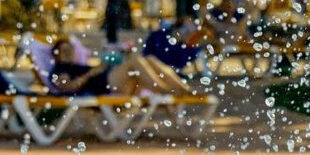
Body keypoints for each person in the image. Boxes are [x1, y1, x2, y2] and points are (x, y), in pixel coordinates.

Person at [48, 40, 198, 98]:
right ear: (57, 55)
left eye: (71, 50)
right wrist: (90, 73)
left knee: (149, 59)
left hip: (113, 81)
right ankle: (167, 91)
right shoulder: (60, 69)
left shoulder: (78, 65)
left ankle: (182, 88)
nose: (69, 53)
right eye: (65, 51)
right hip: (106, 86)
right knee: (135, 61)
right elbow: (65, 86)